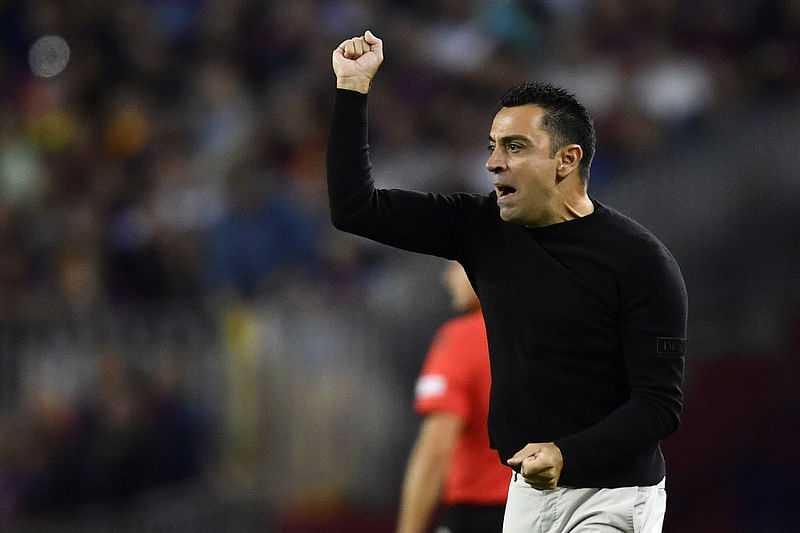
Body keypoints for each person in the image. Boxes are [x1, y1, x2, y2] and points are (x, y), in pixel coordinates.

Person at [327, 31, 687, 533]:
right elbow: (354, 208)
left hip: (614, 496)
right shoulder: (480, 228)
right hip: (528, 493)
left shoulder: (642, 261)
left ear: (567, 160)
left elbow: (659, 406)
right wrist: (352, 89)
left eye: (515, 147)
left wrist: (567, 452)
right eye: (493, 147)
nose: (494, 162)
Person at [398, 261, 509, 533]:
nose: (447, 278)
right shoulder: (557, 333)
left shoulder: (462, 339)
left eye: (455, 264)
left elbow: (435, 451)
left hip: (482, 515)